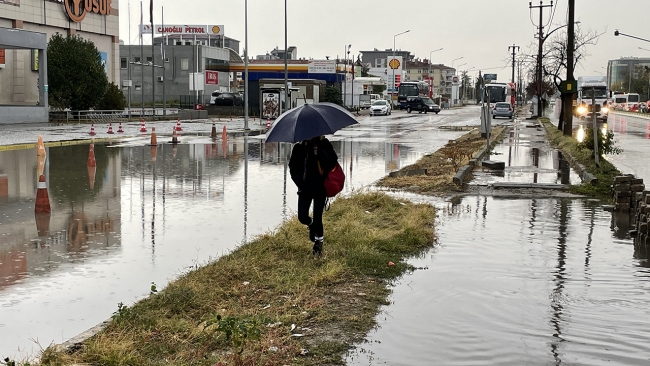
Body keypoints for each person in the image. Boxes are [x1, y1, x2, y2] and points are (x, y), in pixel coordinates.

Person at [289, 135, 338, 256]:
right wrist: (300, 183)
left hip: (321, 187)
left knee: (318, 218)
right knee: (302, 216)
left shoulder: (324, 144)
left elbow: (333, 162)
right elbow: (293, 168)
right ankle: (311, 225)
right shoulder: (299, 147)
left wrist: (320, 153)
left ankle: (318, 244)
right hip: (305, 188)